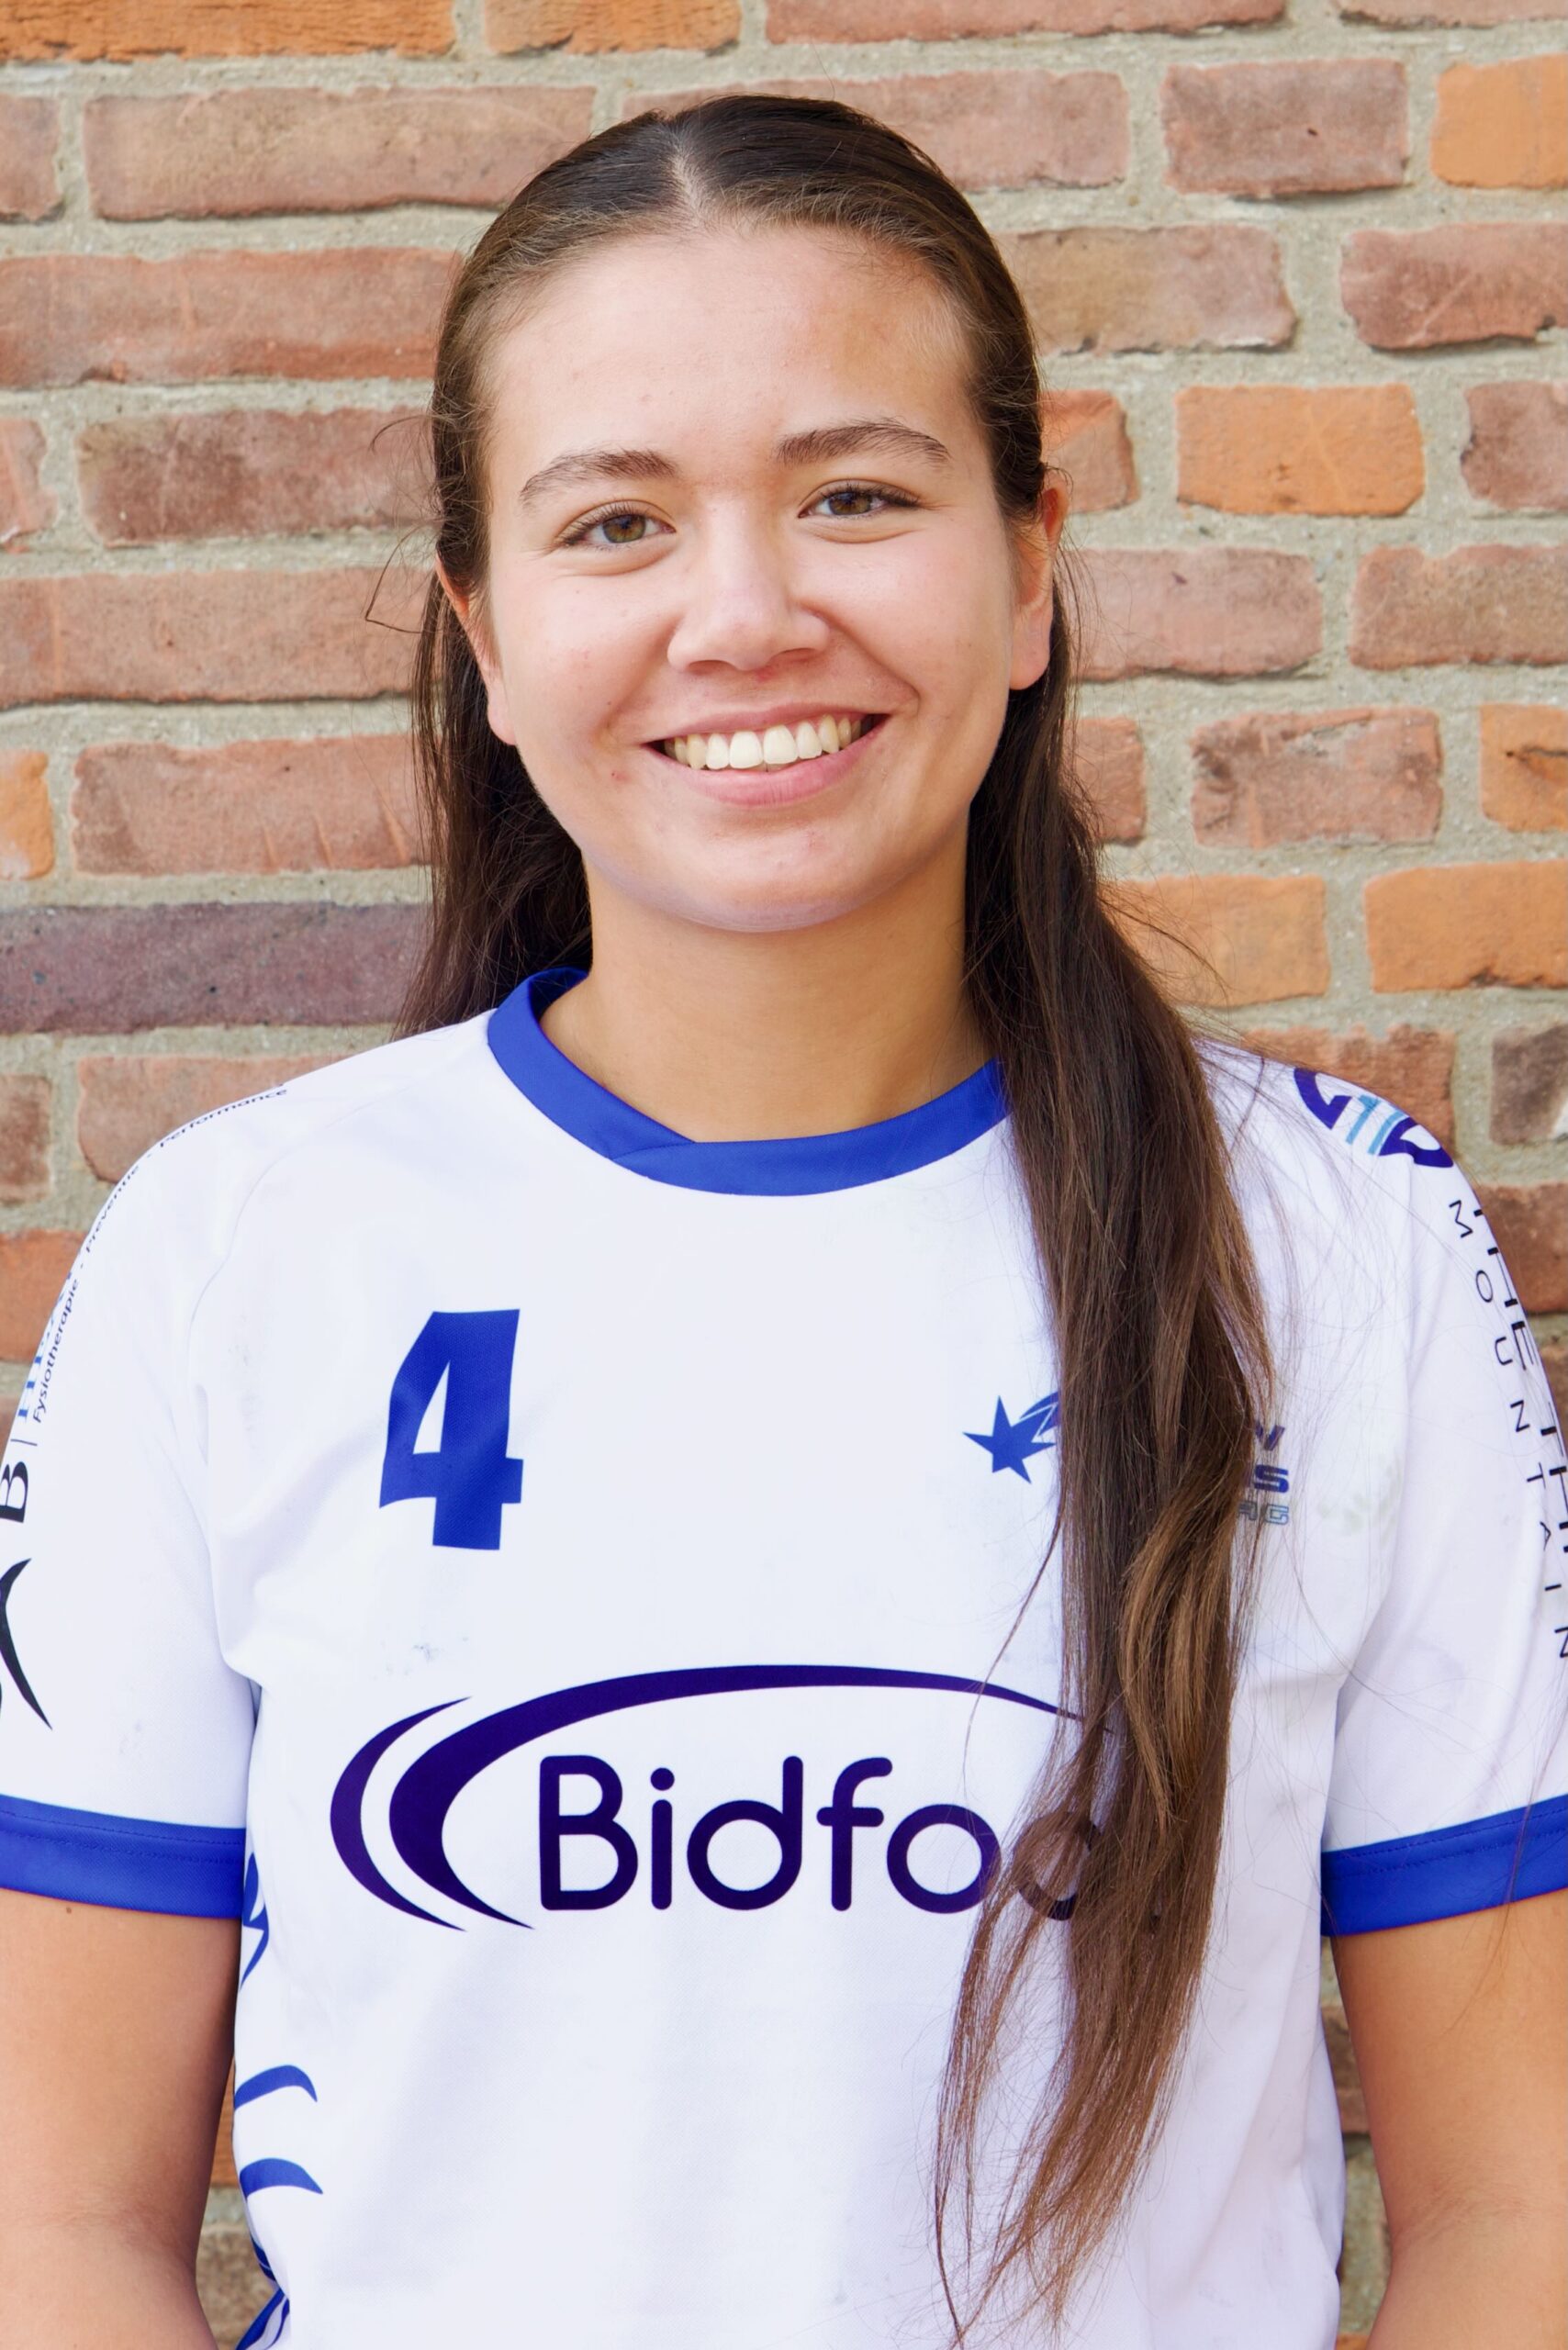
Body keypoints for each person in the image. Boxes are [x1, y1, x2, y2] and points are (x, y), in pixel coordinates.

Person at [0, 95, 1562, 2350]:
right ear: (485, 629)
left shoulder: (1338, 1245)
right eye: (615, 522)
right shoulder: (231, 1255)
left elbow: (1516, 2213)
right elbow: (54, 2224)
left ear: (1028, 568)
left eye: (852, 495)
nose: (741, 614)